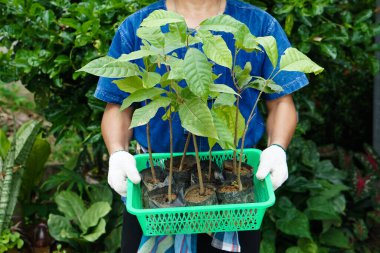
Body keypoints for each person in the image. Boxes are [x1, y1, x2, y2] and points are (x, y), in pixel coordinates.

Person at [95, 0, 309, 252]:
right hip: (155, 178)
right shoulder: (139, 27)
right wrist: (117, 152)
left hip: (235, 182)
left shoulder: (258, 25)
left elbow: (282, 102)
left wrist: (277, 148)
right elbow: (117, 107)